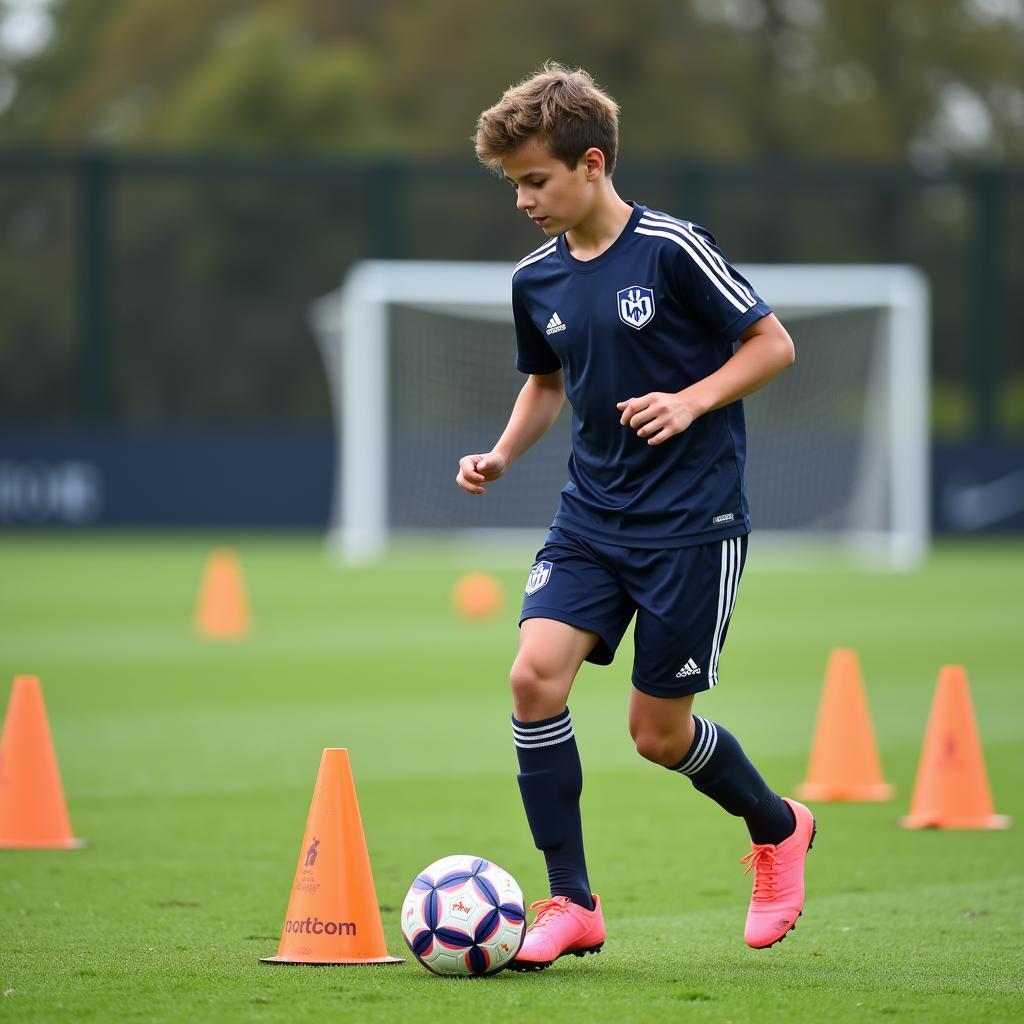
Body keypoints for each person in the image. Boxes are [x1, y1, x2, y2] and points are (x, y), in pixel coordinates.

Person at [458, 62, 814, 972]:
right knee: (534, 679)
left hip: (692, 527)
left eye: (535, 180)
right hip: (591, 521)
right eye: (514, 185)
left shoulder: (671, 249)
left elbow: (771, 344)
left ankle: (779, 830)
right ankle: (571, 900)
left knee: (657, 736)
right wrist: (502, 452)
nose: (523, 201)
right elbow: (546, 382)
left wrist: (691, 401)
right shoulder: (535, 278)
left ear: (590, 163)